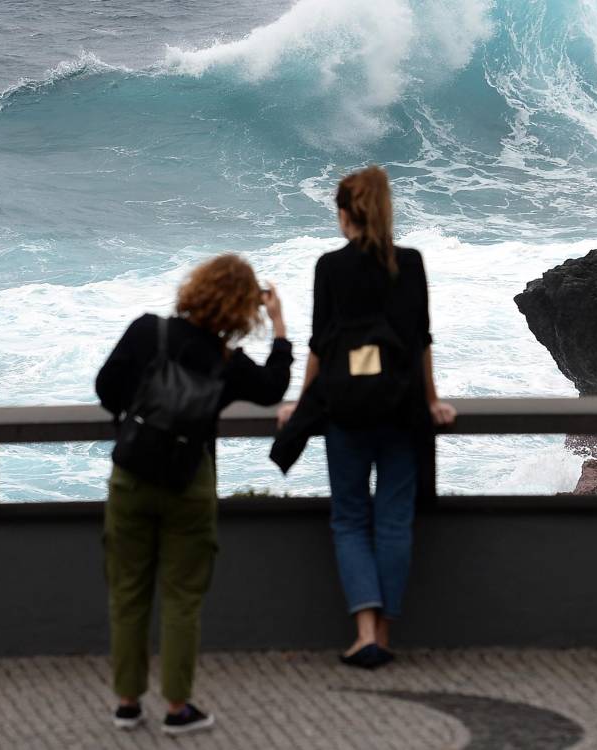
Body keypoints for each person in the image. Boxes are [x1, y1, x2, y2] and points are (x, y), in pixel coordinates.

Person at [95, 254, 291, 734]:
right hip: (189, 480)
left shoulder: (148, 332)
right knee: (182, 598)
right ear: (241, 310)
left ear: (195, 288)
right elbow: (273, 389)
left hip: (132, 476)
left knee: (128, 592)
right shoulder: (227, 362)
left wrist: (140, 419)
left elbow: (106, 388)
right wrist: (280, 325)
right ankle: (178, 708)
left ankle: (126, 702)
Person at [278, 166, 456, 669]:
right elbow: (421, 338)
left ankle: (363, 634)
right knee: (395, 520)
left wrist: (299, 399)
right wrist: (431, 399)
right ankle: (384, 632)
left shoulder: (330, 268)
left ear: (344, 213)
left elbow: (319, 345)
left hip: (347, 411)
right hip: (401, 409)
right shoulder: (411, 263)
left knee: (351, 520)